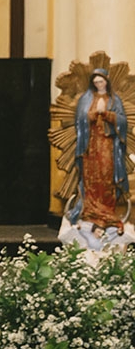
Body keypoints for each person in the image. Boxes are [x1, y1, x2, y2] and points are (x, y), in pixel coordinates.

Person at [67, 68, 129, 230]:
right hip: (90, 146)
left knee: (107, 176)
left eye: (101, 82)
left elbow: (123, 121)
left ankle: (107, 212)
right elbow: (80, 121)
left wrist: (108, 114)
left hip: (108, 146)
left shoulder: (115, 100)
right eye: (95, 83)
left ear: (107, 81)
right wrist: (94, 114)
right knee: (91, 177)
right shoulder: (86, 99)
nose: (98, 85)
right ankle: (90, 211)